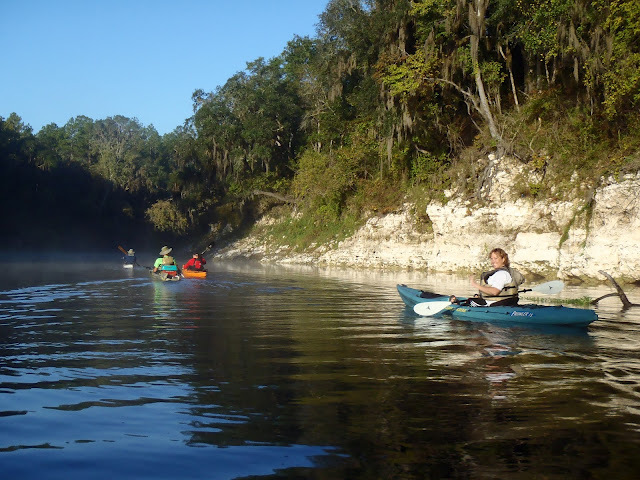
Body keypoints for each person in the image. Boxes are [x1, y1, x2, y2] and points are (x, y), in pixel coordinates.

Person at [451, 248, 524, 307]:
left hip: (495, 304)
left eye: (496, 258)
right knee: (475, 298)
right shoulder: (506, 272)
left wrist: (475, 285)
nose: (493, 261)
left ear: (503, 259)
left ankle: (454, 305)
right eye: (491, 259)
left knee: (470, 301)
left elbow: (495, 291)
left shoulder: (501, 274)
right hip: (503, 302)